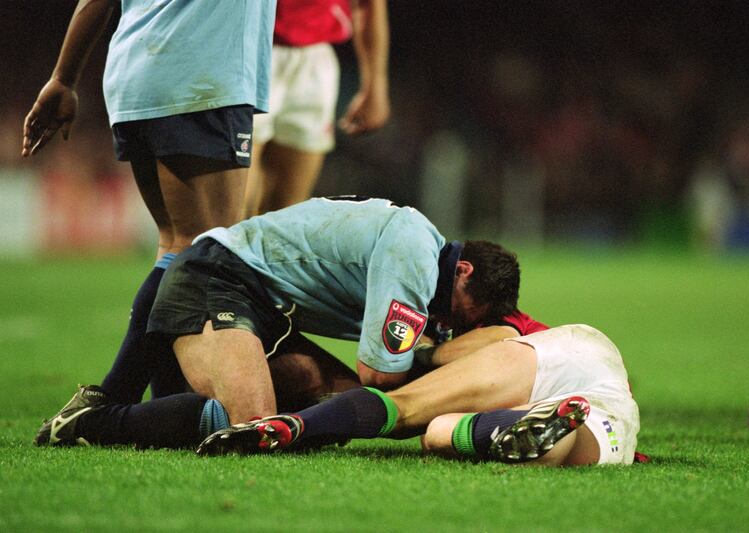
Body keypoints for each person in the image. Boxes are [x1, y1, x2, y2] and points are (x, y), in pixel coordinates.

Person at [35, 196, 521, 448]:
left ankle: (172, 395)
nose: (447, 322)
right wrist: (444, 365)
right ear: (463, 270)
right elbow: (381, 376)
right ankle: (94, 422)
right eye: (459, 313)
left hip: (264, 306)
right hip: (217, 278)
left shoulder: (422, 247)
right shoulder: (417, 255)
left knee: (319, 388)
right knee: (256, 423)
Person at [22, 0, 276, 406]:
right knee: (206, 246)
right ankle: (108, 401)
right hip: (199, 77)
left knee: (176, 244)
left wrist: (63, 79)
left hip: (138, 75)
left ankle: (166, 400)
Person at [197, 324, 640, 467]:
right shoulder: (498, 316)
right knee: (444, 436)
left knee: (419, 420)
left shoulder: (483, 325)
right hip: (600, 381)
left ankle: (297, 425)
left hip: (552, 348)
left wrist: (423, 360)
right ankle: (542, 431)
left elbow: (501, 335)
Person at [245, 0, 391, 216]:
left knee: (287, 214)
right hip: (249, 48)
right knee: (233, 208)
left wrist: (375, 84)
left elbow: (368, 4)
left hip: (315, 56)